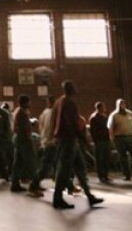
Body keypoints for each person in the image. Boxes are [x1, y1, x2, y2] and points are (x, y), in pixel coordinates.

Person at [51, 81, 103, 210]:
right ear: (71, 89)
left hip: (65, 139)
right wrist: (84, 140)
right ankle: (57, 198)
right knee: (65, 170)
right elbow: (72, 124)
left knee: (80, 168)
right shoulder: (69, 103)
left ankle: (89, 196)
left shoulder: (59, 102)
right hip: (69, 140)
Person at [29, 95, 59, 194]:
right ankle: (33, 185)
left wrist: (43, 139)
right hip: (51, 142)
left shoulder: (43, 113)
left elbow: (40, 128)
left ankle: (68, 185)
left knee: (57, 165)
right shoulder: (54, 113)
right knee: (46, 167)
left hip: (46, 142)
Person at [10, 94, 37, 193]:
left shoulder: (18, 111)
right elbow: (23, 127)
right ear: (25, 102)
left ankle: (15, 183)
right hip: (23, 140)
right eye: (29, 102)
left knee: (18, 163)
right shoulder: (22, 112)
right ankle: (34, 184)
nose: (30, 104)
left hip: (19, 139)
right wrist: (29, 139)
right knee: (30, 162)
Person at [107, 98, 132, 181]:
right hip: (120, 138)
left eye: (123, 104)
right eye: (120, 104)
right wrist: (112, 138)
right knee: (123, 157)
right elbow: (110, 127)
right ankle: (127, 175)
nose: (122, 105)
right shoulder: (114, 115)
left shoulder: (130, 113)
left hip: (130, 137)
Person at [88, 101, 112, 184]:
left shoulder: (104, 117)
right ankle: (101, 175)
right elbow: (93, 131)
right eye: (102, 107)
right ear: (98, 108)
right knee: (100, 159)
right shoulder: (94, 118)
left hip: (105, 140)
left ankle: (105, 175)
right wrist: (96, 140)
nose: (104, 109)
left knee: (106, 158)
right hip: (99, 141)